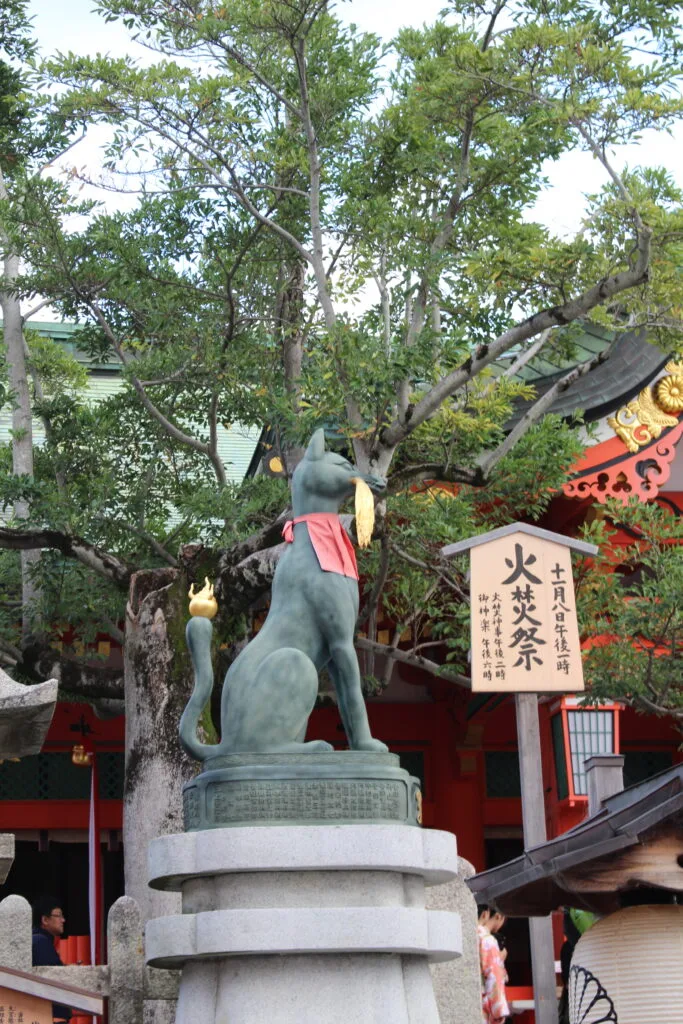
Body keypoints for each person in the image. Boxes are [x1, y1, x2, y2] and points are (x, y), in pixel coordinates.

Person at [31, 896, 73, 1023]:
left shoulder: (38, 940)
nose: (63, 920)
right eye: (58, 915)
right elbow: (52, 979)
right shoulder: (40, 942)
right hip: (51, 1017)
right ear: (45, 920)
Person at [477, 903, 510, 1024]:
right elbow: (494, 977)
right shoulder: (488, 940)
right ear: (498, 916)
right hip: (482, 1007)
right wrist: (499, 1012)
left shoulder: (470, 935)